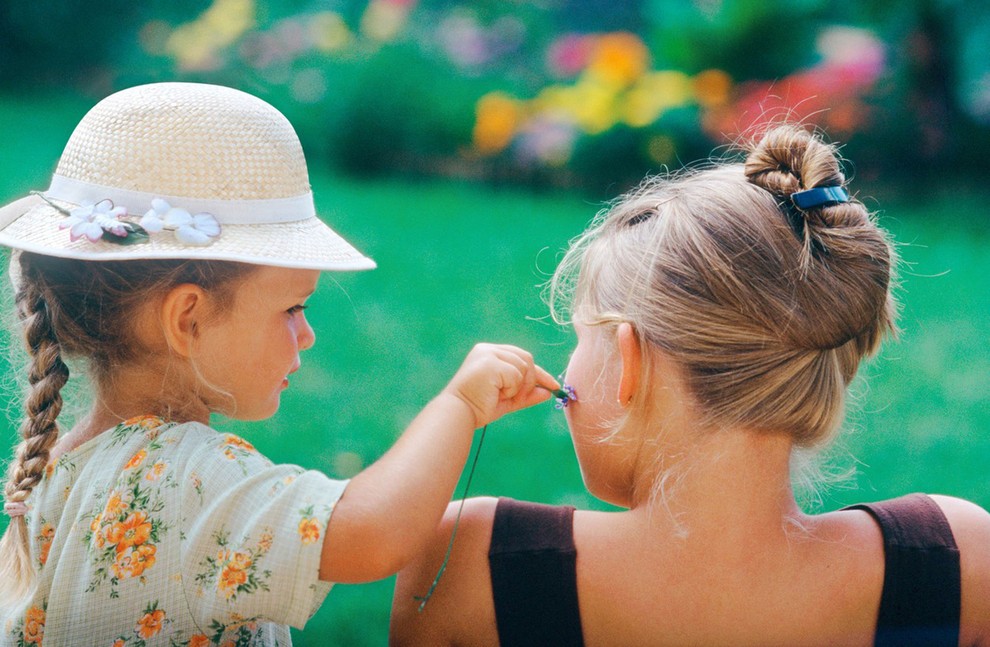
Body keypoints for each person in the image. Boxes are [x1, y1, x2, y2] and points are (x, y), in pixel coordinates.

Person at [0, 82, 559, 645]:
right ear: (187, 319)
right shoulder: (185, 476)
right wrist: (458, 407)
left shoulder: (59, 460)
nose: (308, 334)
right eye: (292, 308)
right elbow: (371, 534)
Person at [391, 125, 990, 645]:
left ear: (629, 360)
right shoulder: (957, 561)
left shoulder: (470, 565)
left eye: (580, 339)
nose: (569, 369)